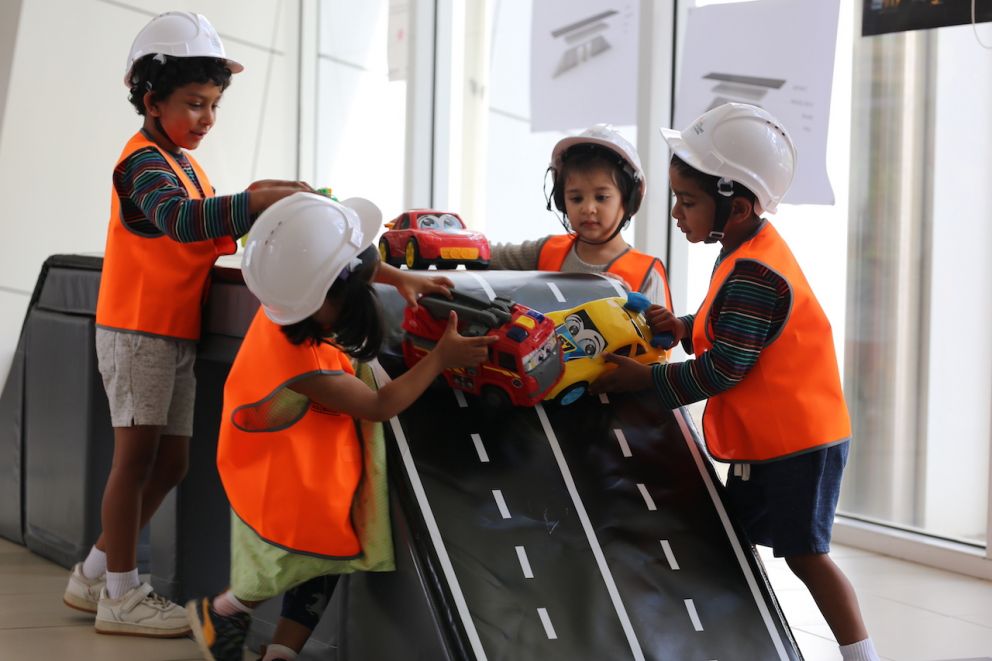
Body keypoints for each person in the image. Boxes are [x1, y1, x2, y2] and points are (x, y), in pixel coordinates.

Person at [590, 103, 880, 661]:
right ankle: (735, 639)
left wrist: (646, 380)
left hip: (801, 445)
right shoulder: (743, 249)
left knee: (805, 555)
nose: (677, 212)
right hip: (777, 438)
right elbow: (731, 328)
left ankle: (860, 656)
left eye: (689, 201)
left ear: (738, 206)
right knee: (729, 538)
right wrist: (683, 327)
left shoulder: (755, 270)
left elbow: (726, 368)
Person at [62, 11, 312, 637]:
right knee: (135, 460)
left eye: (215, 106)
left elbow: (206, 226)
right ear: (152, 100)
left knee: (169, 464)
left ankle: (93, 572)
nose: (207, 119)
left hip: (171, 332)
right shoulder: (143, 163)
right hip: (137, 330)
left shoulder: (184, 164)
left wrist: (265, 201)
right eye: (195, 104)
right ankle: (120, 593)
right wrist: (254, 201)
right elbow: (181, 222)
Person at [185, 192, 497, 661]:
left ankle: (283, 652)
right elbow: (378, 404)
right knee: (286, 562)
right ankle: (226, 610)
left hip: (307, 458)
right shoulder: (304, 365)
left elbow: (353, 265)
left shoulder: (297, 294)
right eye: (354, 297)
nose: (364, 298)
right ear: (322, 302)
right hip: (280, 480)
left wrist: (401, 278)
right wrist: (440, 360)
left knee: (325, 562)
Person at [489, 124, 673, 309]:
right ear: (562, 201)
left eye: (601, 197)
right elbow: (486, 255)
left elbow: (663, 335)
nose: (588, 208)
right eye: (576, 198)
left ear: (629, 199)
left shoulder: (647, 272)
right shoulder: (545, 251)